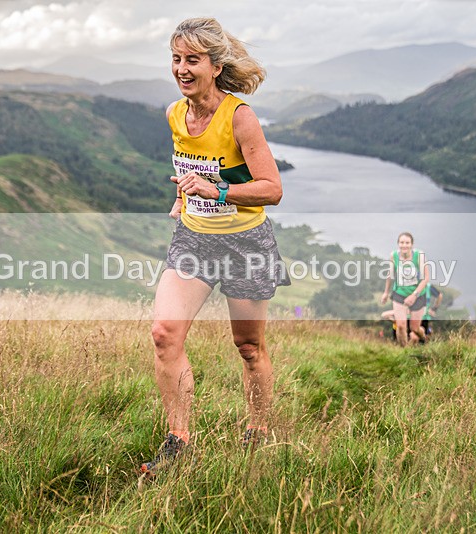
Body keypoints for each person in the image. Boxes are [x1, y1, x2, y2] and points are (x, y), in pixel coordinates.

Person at [141, 17, 290, 477]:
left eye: (192, 60)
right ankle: (178, 442)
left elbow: (271, 188)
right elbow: (195, 167)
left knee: (248, 347)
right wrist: (183, 196)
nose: (182, 69)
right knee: (164, 333)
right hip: (193, 240)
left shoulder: (239, 116)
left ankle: (259, 431)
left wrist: (216, 193)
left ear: (215, 64)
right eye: (176, 59)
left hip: (246, 242)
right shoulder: (175, 114)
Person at [381, 232, 430, 347]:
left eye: (407, 243)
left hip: (418, 295)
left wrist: (414, 295)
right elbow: (390, 275)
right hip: (399, 294)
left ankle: (424, 337)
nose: (404, 245)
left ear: (412, 244)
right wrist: (386, 292)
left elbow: (426, 278)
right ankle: (404, 351)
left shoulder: (419, 255)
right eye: (402, 242)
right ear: (398, 244)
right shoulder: (394, 256)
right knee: (401, 325)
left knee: (414, 328)